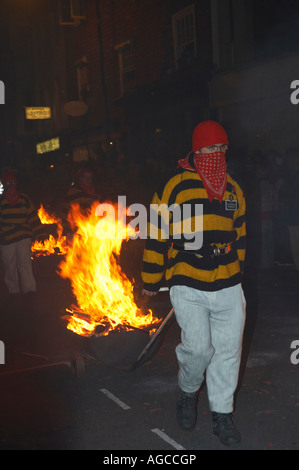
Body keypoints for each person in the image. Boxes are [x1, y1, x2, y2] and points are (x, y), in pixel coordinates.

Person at [141, 120, 246, 446]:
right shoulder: (174, 184)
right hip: (187, 280)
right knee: (199, 349)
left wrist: (238, 272)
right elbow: (156, 231)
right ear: (196, 150)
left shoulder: (234, 189)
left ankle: (222, 414)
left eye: (221, 147)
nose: (215, 153)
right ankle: (188, 392)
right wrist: (150, 278)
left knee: (228, 352)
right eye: (208, 148)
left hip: (228, 283)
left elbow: (239, 233)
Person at [0, 169, 46, 309]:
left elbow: (33, 217)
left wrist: (40, 233)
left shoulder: (24, 199)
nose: (10, 185)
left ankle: (29, 291)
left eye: (12, 182)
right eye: (8, 183)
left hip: (23, 237)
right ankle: (14, 292)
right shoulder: (1, 202)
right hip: (7, 239)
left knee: (25, 263)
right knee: (10, 265)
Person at [279, 147, 299, 270]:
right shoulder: (291, 174)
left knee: (296, 242)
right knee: (294, 242)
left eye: (290, 158)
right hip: (292, 213)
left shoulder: (295, 175)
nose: (288, 161)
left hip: (295, 212)